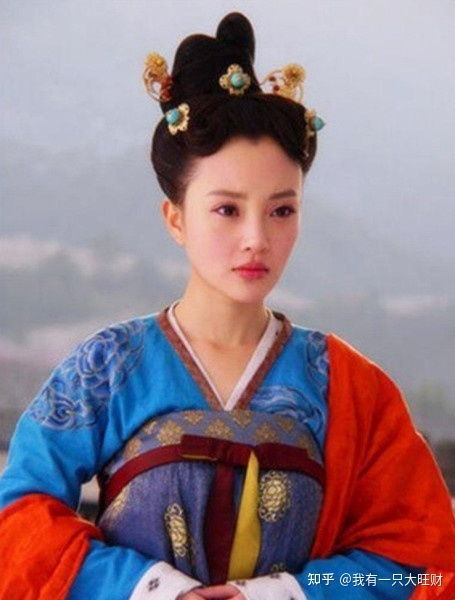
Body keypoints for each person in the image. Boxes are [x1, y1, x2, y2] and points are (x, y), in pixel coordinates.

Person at [1, 11, 454, 600]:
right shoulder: (107, 368)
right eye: (227, 210)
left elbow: (423, 565)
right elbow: (16, 518)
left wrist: (284, 592)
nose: (256, 239)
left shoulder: (350, 387)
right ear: (175, 219)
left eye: (281, 210)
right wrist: (151, 588)